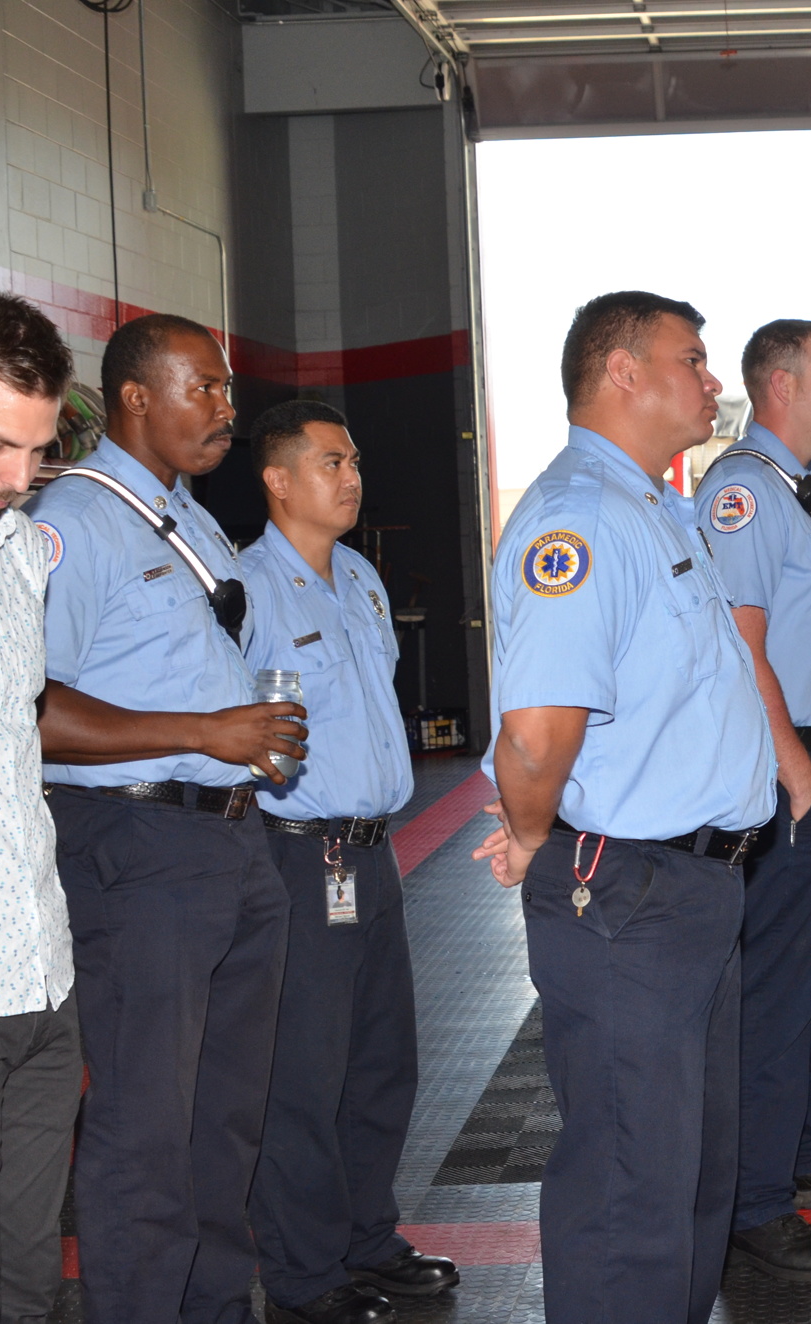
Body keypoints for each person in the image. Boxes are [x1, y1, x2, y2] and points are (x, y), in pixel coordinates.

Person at [472, 291, 780, 1323]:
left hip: (693, 886)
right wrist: (530, 832)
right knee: (629, 1184)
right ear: (622, 373)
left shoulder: (653, 505)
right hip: (630, 893)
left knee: (692, 1173)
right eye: (690, 360)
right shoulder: (582, 519)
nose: (709, 381)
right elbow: (534, 736)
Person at [26, 313, 309, 1322]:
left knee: (226, 1116)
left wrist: (239, 740)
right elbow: (33, 708)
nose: (226, 409)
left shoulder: (186, 516)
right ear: (136, 397)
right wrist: (207, 727)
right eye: (206, 389)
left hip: (230, 839)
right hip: (136, 850)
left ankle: (215, 1306)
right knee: (146, 1124)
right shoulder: (73, 520)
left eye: (228, 390)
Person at [240, 401, 458, 1324]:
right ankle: (304, 1271)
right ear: (278, 480)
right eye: (331, 461)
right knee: (304, 1073)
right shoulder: (243, 589)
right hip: (293, 854)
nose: (352, 476)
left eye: (356, 460)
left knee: (380, 1063)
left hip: (367, 859)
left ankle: (369, 1238)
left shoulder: (363, 578)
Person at [695, 319, 811, 1282]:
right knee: (774, 995)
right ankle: (754, 1203)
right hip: (794, 769)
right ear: (780, 385)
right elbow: (742, 642)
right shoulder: (743, 495)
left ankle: (809, 1153)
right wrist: (795, 774)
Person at [0, 292, 80, 1324]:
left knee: (26, 1277)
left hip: (38, 981)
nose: (15, 479)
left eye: (36, 451)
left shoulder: (16, 564)